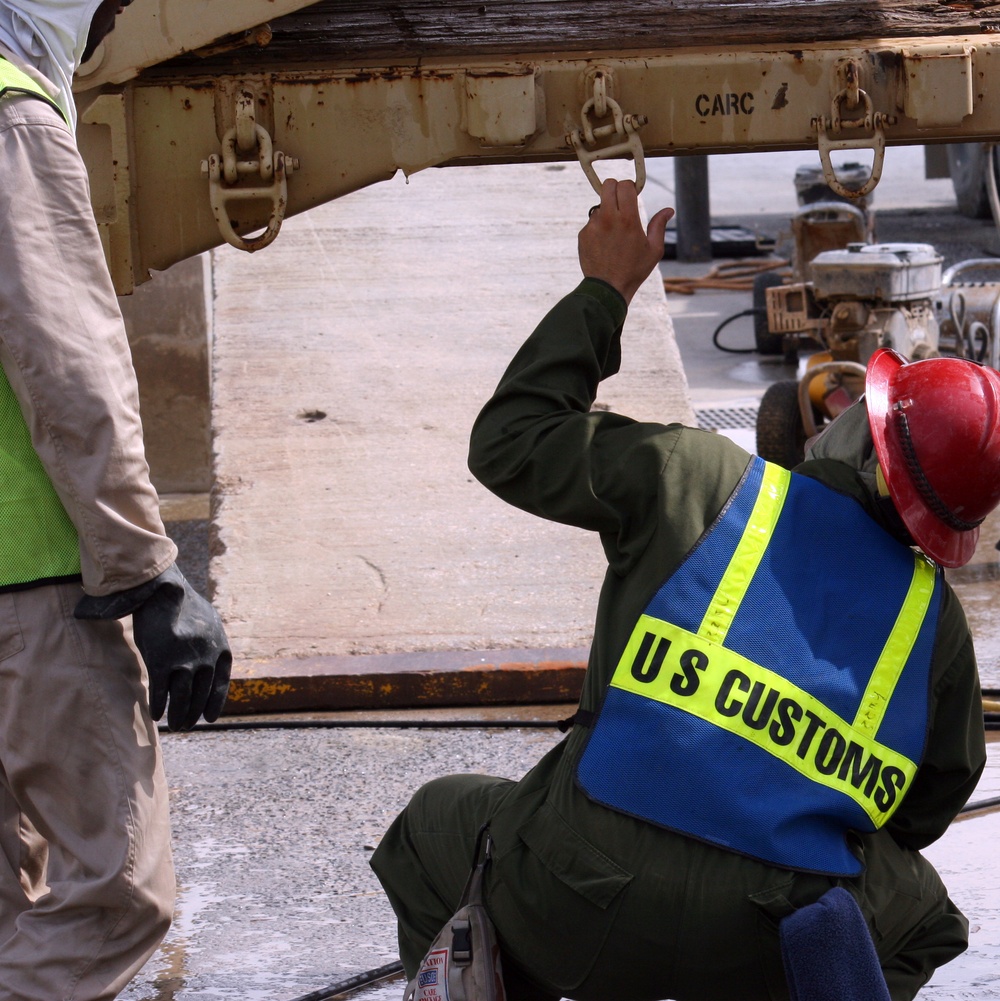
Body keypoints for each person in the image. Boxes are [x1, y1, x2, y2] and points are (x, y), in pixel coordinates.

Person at [371, 177, 998, 1001]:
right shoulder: (935, 628)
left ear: (864, 438)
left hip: (574, 897)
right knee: (921, 917)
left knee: (430, 828)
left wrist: (606, 289)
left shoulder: (696, 476)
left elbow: (511, 440)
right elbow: (923, 811)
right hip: (760, 943)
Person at [0, 2, 231, 997]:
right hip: (33, 578)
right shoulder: (13, 120)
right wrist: (148, 568)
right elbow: (66, 366)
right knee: (118, 891)